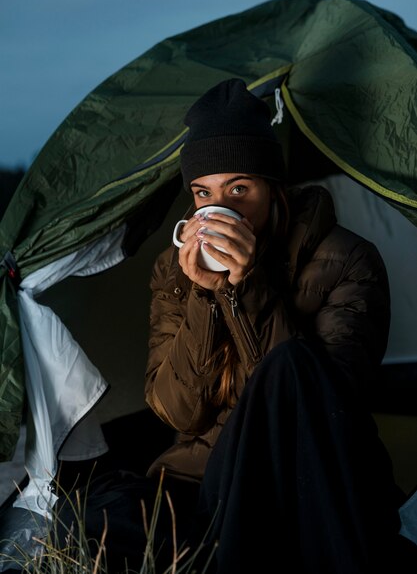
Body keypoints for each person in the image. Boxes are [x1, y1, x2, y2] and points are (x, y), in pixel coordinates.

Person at [57, 78, 411, 573]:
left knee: (292, 362)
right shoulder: (174, 271)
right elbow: (178, 415)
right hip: (206, 481)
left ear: (274, 188)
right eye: (204, 193)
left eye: (239, 189)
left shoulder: (349, 260)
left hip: (304, 478)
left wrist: (246, 285)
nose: (219, 208)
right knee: (81, 521)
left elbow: (321, 410)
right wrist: (205, 295)